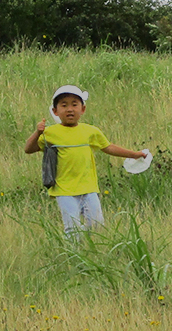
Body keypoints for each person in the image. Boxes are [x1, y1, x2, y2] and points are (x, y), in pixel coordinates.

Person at [24, 85, 148, 238]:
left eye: (74, 105)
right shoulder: (50, 133)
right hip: (64, 191)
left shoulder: (90, 131)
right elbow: (29, 149)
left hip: (88, 188)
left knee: (97, 226)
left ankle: (88, 251)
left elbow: (108, 147)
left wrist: (135, 154)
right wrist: (37, 133)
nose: (70, 109)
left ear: (83, 109)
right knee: (72, 229)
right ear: (55, 111)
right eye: (64, 105)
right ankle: (72, 257)